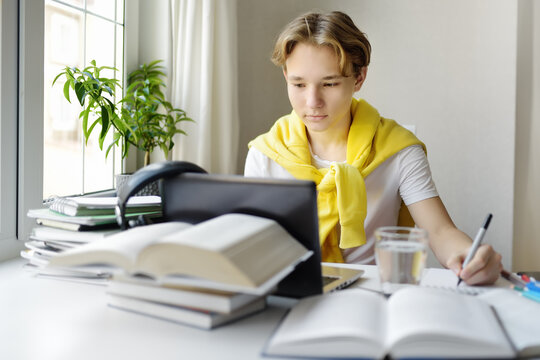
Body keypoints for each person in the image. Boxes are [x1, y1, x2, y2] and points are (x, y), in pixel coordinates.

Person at [244, 10, 502, 285]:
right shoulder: (265, 153)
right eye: (298, 84)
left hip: (373, 293)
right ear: (286, 76)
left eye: (329, 83)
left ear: (359, 78)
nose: (312, 101)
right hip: (293, 292)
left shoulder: (398, 149)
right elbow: (252, 244)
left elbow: (440, 232)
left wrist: (468, 256)